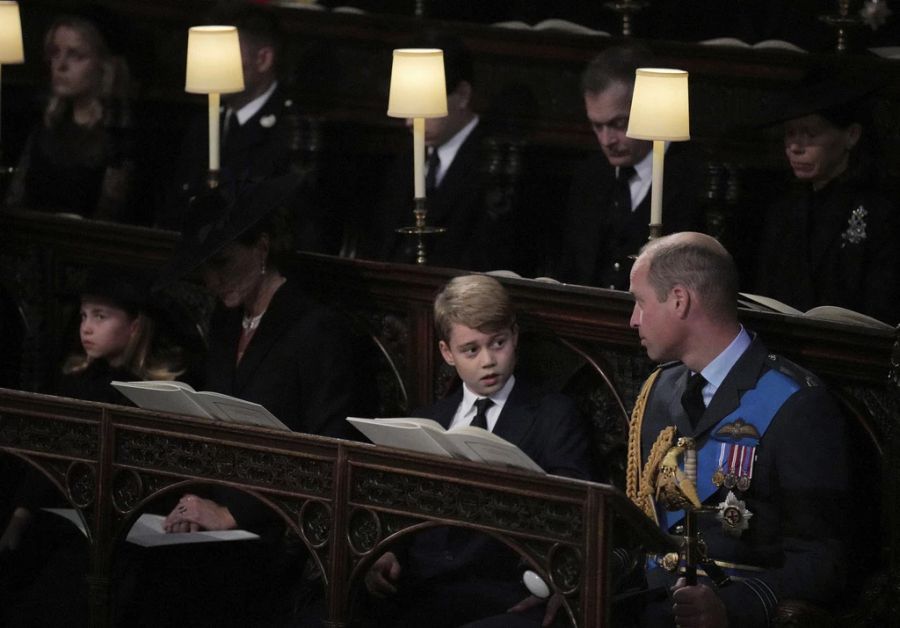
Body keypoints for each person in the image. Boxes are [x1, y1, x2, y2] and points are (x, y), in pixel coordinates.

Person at [135, 174, 376, 626]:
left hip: (280, 528)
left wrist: (232, 512)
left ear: (262, 248)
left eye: (222, 262)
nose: (210, 280)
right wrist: (192, 499)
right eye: (204, 268)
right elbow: (210, 424)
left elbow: (330, 450)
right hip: (217, 517)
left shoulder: (316, 329)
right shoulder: (226, 324)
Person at [622, 232, 848, 628]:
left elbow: (823, 559)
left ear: (679, 300)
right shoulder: (657, 390)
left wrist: (733, 607)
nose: (633, 320)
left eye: (640, 303)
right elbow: (636, 522)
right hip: (643, 606)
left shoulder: (796, 403)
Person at [363, 274, 593, 628]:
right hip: (420, 585)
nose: (488, 361)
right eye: (471, 350)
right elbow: (400, 502)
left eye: (498, 343)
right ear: (447, 353)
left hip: (503, 588)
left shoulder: (553, 414)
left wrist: (551, 576)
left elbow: (578, 509)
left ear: (514, 336)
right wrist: (389, 551)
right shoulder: (427, 419)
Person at [0, 266, 190, 627]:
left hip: (125, 530)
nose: (86, 327)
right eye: (85, 315)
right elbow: (47, 454)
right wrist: (20, 515)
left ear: (135, 326)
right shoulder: (75, 380)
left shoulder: (158, 393)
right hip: (62, 519)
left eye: (100, 316)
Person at [556, 45, 707, 290]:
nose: (607, 140)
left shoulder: (694, 179)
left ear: (647, 108)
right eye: (597, 126)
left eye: (619, 124)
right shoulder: (590, 175)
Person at [753, 75, 900, 325]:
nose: (795, 147)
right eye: (790, 133)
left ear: (851, 135)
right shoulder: (783, 207)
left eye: (809, 134)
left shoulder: (882, 207)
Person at [364, 36, 518, 271]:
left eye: (423, 104)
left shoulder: (495, 163)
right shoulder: (405, 160)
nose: (409, 121)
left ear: (463, 95)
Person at [5, 13, 135, 221]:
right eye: (55, 54)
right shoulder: (43, 127)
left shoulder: (118, 135)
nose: (61, 65)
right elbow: (16, 201)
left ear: (103, 65)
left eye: (75, 55)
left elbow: (114, 214)